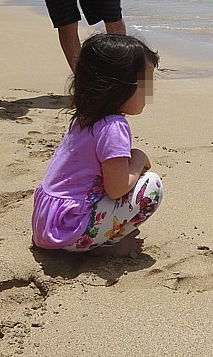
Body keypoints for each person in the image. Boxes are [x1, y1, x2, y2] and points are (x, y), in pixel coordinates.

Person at [32, 34, 162, 256]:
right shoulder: (114, 127)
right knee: (152, 186)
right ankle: (107, 246)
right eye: (145, 84)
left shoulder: (84, 117)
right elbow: (117, 188)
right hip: (71, 230)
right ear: (119, 86)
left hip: (47, 222)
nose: (149, 93)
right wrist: (138, 158)